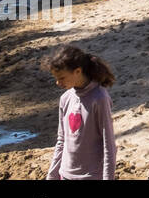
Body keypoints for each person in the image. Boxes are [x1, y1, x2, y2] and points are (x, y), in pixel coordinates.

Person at [45, 45, 117, 180]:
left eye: (62, 78)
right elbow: (61, 140)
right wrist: (52, 176)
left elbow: (109, 144)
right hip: (65, 174)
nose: (57, 82)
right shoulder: (65, 98)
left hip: (91, 176)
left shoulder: (100, 98)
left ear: (77, 71)